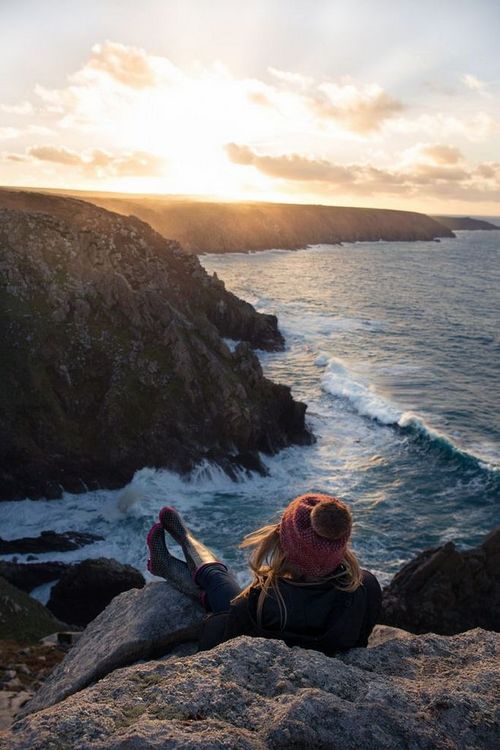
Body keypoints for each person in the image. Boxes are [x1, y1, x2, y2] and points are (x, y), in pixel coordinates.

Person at [146, 492, 381, 656]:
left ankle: (182, 547)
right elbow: (359, 640)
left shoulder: (261, 601)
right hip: (323, 653)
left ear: (283, 544)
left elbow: (221, 638)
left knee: (219, 582)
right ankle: (174, 554)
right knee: (222, 588)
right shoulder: (365, 586)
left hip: (250, 629)